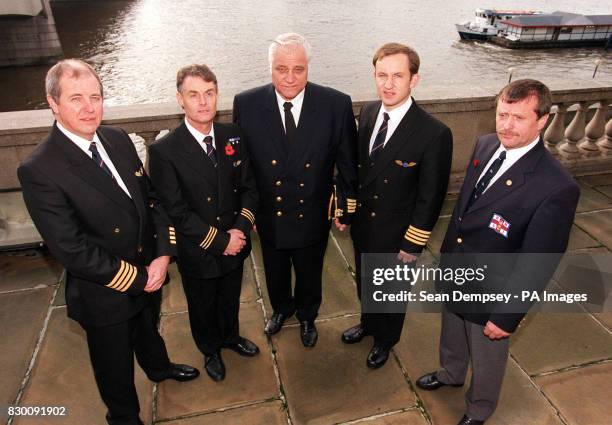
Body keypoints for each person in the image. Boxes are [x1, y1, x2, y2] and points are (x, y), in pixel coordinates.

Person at [17, 59, 199, 425]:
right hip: (106, 290)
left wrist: (163, 255)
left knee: (149, 330)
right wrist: (136, 278)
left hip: (149, 270)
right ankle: (124, 417)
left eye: (96, 97)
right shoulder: (40, 169)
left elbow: (151, 202)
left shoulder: (116, 140)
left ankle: (159, 368)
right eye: (76, 99)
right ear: (53, 103)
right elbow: (71, 249)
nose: (89, 108)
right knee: (114, 366)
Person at [416, 79, 580, 425]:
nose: (506, 125)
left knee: (488, 355)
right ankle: (451, 372)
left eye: (518, 117)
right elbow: (463, 211)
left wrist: (507, 315)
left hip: (495, 291)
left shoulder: (557, 187)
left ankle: (479, 408)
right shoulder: (486, 144)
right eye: (502, 114)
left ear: (543, 120)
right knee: (451, 330)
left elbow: (538, 262)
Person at [232, 33, 358, 347]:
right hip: (268, 212)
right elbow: (242, 167)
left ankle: (306, 315)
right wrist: (246, 213)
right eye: (281, 69)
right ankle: (280, 309)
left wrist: (344, 206)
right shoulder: (246, 104)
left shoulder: (335, 104)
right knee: (273, 269)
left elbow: (348, 164)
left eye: (298, 69)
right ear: (270, 68)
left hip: (312, 210)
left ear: (308, 68)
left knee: (310, 271)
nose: (289, 78)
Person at [342, 42, 453, 368]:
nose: (388, 84)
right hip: (365, 225)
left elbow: (431, 197)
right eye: (381, 75)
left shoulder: (434, 133)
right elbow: (362, 172)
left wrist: (413, 243)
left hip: (397, 234)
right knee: (366, 280)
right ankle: (367, 323)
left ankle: (385, 340)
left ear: (414, 80)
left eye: (397, 76)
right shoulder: (369, 112)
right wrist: (346, 211)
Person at [148, 64, 259, 382]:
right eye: (193, 94)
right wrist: (221, 241)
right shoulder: (164, 150)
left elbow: (249, 187)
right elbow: (176, 211)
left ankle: (231, 337)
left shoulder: (233, 136)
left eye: (209, 93)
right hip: (199, 247)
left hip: (235, 240)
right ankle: (210, 348)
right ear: (180, 99)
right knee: (202, 303)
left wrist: (239, 229)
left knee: (230, 295)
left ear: (217, 95)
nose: (203, 101)